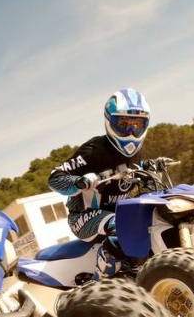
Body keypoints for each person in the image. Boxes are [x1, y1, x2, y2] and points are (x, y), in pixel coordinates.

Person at [48, 88, 151, 280]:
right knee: (121, 226)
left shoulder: (136, 154)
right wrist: (80, 182)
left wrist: (148, 166)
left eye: (137, 125)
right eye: (124, 124)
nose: (131, 132)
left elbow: (129, 170)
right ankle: (101, 286)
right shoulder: (94, 150)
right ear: (110, 122)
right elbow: (54, 178)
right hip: (84, 218)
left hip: (118, 213)